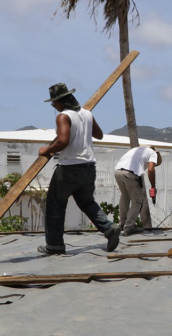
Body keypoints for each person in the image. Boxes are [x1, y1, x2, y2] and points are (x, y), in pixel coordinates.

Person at [38, 83, 121, 255]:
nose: (54, 106)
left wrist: (46, 150)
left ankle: (55, 246)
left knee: (55, 206)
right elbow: (99, 135)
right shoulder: (87, 114)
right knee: (86, 202)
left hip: (69, 167)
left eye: (54, 103)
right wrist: (83, 129)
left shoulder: (63, 116)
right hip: (89, 166)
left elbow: (62, 141)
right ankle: (109, 228)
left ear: (60, 102)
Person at [114, 146, 160, 236]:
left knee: (125, 196)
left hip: (118, 171)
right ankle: (129, 226)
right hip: (129, 173)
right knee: (137, 201)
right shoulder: (153, 153)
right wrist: (153, 186)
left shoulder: (137, 149)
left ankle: (122, 224)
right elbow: (150, 170)